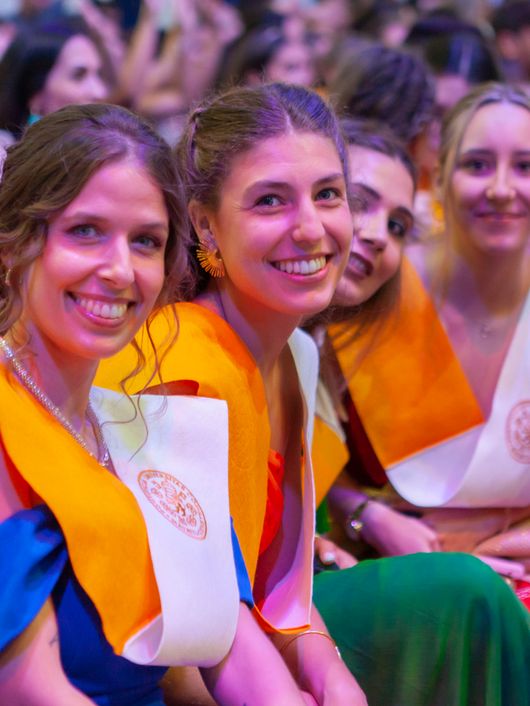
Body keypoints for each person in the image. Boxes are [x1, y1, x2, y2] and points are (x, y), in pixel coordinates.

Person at [97, 81, 368, 705]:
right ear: (204, 226)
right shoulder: (178, 365)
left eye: (328, 194)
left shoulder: (294, 354)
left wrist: (335, 681)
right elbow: (171, 633)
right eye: (270, 201)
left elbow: (283, 594)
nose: (310, 228)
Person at [0, 102, 270, 705]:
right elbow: (28, 689)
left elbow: (235, 648)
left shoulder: (150, 428)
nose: (120, 270)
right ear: (15, 239)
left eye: (145, 241)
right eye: (85, 231)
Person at [309, 117, 530, 706]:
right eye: (478, 164)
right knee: (469, 594)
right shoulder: (347, 321)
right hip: (306, 594)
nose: (503, 188)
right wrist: (357, 518)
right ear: (447, 183)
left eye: (526, 167)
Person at [0, 18, 109, 141]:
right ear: (35, 94)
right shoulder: (5, 154)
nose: (100, 92)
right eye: (79, 76)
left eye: (98, 74)